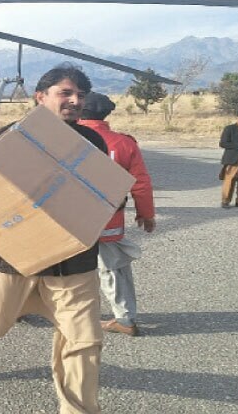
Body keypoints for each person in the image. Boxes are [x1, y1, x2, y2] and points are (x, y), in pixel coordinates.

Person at [0, 65, 108, 414]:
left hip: (74, 262)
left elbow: (107, 195)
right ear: (41, 97)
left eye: (80, 95)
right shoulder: (9, 137)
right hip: (13, 258)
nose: (75, 101)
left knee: (84, 341)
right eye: (65, 93)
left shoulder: (93, 142)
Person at [78, 92, 156, 337]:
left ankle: (21, 307)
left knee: (50, 264)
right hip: (107, 220)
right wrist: (146, 214)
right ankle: (125, 317)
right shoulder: (124, 143)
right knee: (114, 267)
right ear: (107, 113)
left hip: (65, 221)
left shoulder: (65, 138)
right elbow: (140, 183)